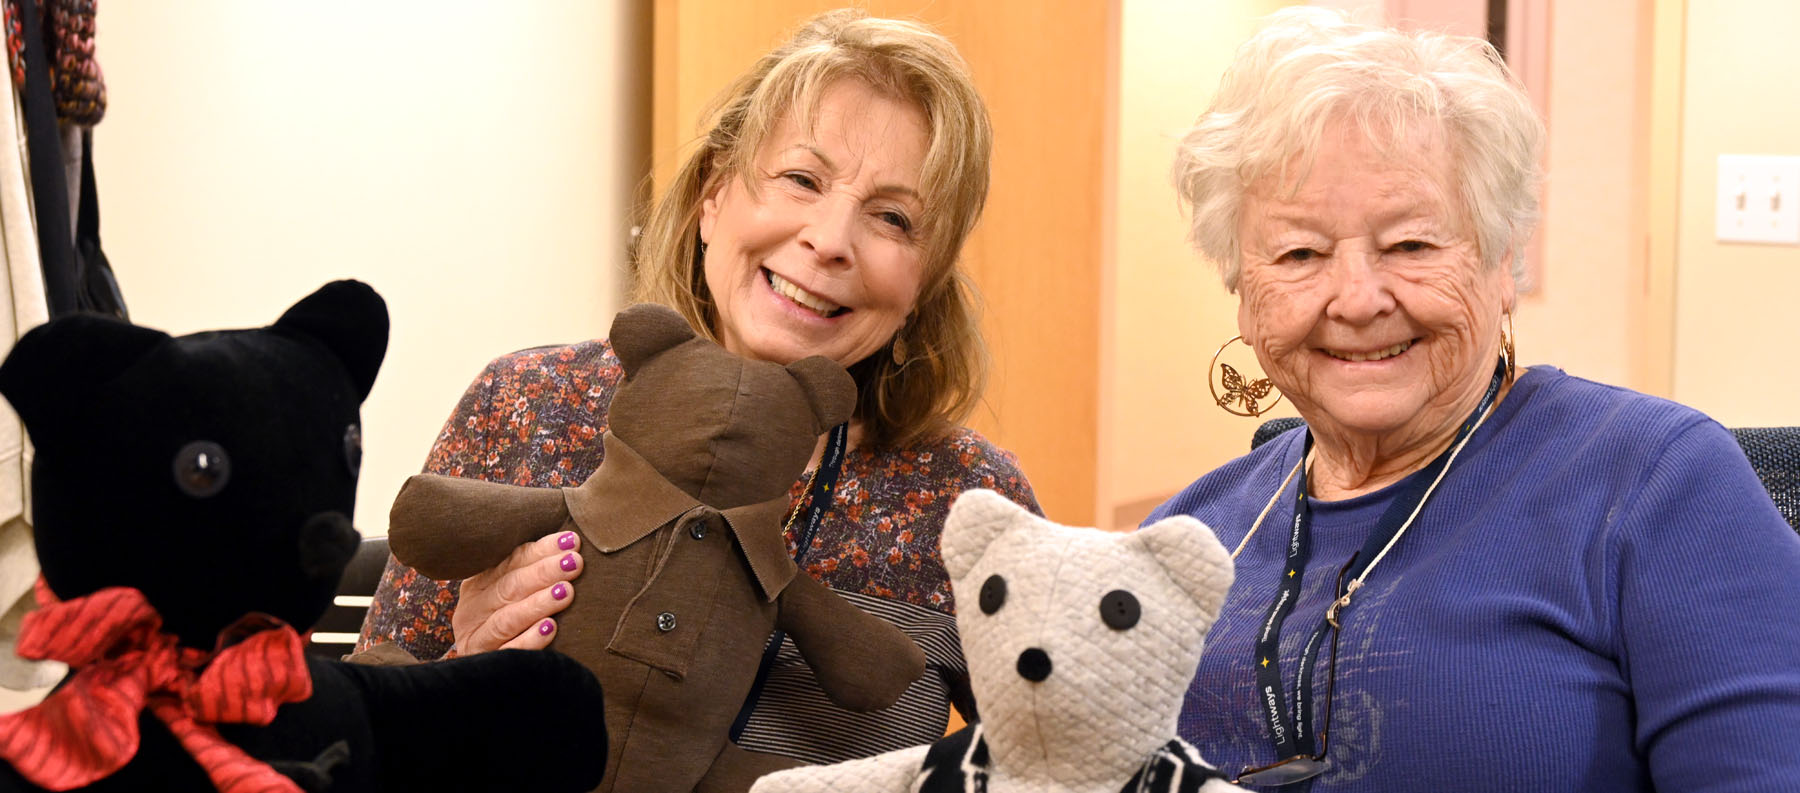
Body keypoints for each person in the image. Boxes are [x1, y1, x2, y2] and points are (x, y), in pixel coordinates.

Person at [354, 8, 1038, 772]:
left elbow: (1071, 760)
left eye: (893, 218)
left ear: (924, 280)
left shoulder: (973, 499)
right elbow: (356, 734)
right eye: (802, 179)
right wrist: (463, 667)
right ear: (715, 195)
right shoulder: (524, 402)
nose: (831, 241)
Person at [1153, 8, 1800, 791]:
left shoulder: (1659, 485)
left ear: (1503, 263)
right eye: (1300, 252)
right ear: (1243, 292)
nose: (1357, 299)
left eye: (1412, 244)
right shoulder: (1185, 539)